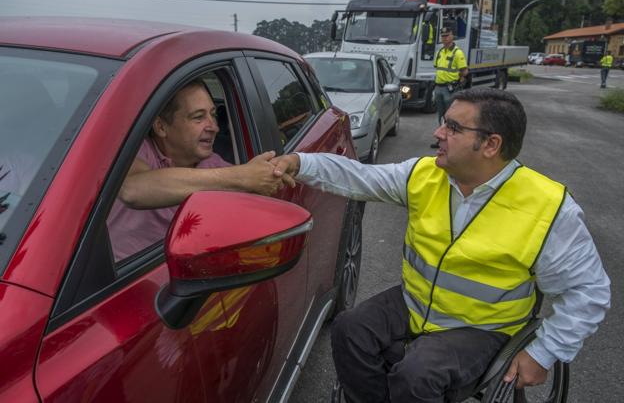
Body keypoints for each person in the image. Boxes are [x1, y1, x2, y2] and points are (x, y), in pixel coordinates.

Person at [272, 88, 610, 403]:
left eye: (453, 127)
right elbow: (356, 176)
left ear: (491, 145)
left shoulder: (548, 208)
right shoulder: (424, 175)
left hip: (482, 328)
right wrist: (298, 163)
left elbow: (589, 291)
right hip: (415, 303)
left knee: (417, 374)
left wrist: (543, 352)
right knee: (348, 329)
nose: (437, 133)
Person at [107, 79, 292, 261]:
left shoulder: (217, 166)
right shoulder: (138, 150)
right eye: (198, 117)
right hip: (111, 281)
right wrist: (242, 176)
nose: (214, 127)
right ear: (161, 127)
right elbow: (132, 189)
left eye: (213, 115)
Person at [431, 27, 468, 149]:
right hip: (439, 88)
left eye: (447, 36)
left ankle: (451, 141)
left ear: (452, 36)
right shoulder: (440, 52)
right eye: (443, 36)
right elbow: (437, 68)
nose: (444, 38)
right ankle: (441, 139)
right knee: (441, 116)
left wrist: (457, 81)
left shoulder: (458, 53)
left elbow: (464, 71)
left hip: (450, 88)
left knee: (451, 116)